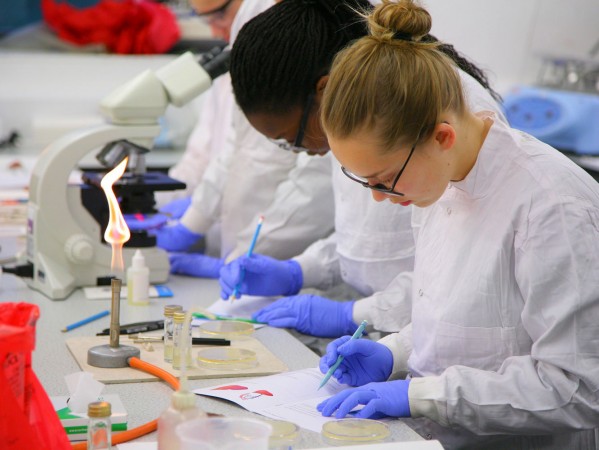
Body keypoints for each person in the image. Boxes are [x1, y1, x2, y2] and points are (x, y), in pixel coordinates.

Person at [315, 1, 599, 448]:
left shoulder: (552, 207)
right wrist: (394, 352)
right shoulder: (439, 178)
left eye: (383, 179)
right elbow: (465, 326)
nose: (377, 196)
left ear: (441, 136)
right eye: (364, 180)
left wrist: (422, 395)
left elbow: (578, 386)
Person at [219, 0, 505, 338]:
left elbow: (459, 276)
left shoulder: (433, 111)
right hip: (389, 338)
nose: (302, 153)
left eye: (292, 139)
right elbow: (369, 240)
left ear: (324, 91)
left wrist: (355, 316)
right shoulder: (359, 116)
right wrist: (300, 271)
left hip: (434, 346)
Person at [144, 0, 336, 278]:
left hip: (293, 253)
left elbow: (316, 181)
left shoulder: (307, 30)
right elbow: (234, 144)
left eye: (219, 14)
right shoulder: (248, 21)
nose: (215, 28)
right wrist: (194, 218)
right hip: (245, 243)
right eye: (204, 18)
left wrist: (242, 257)